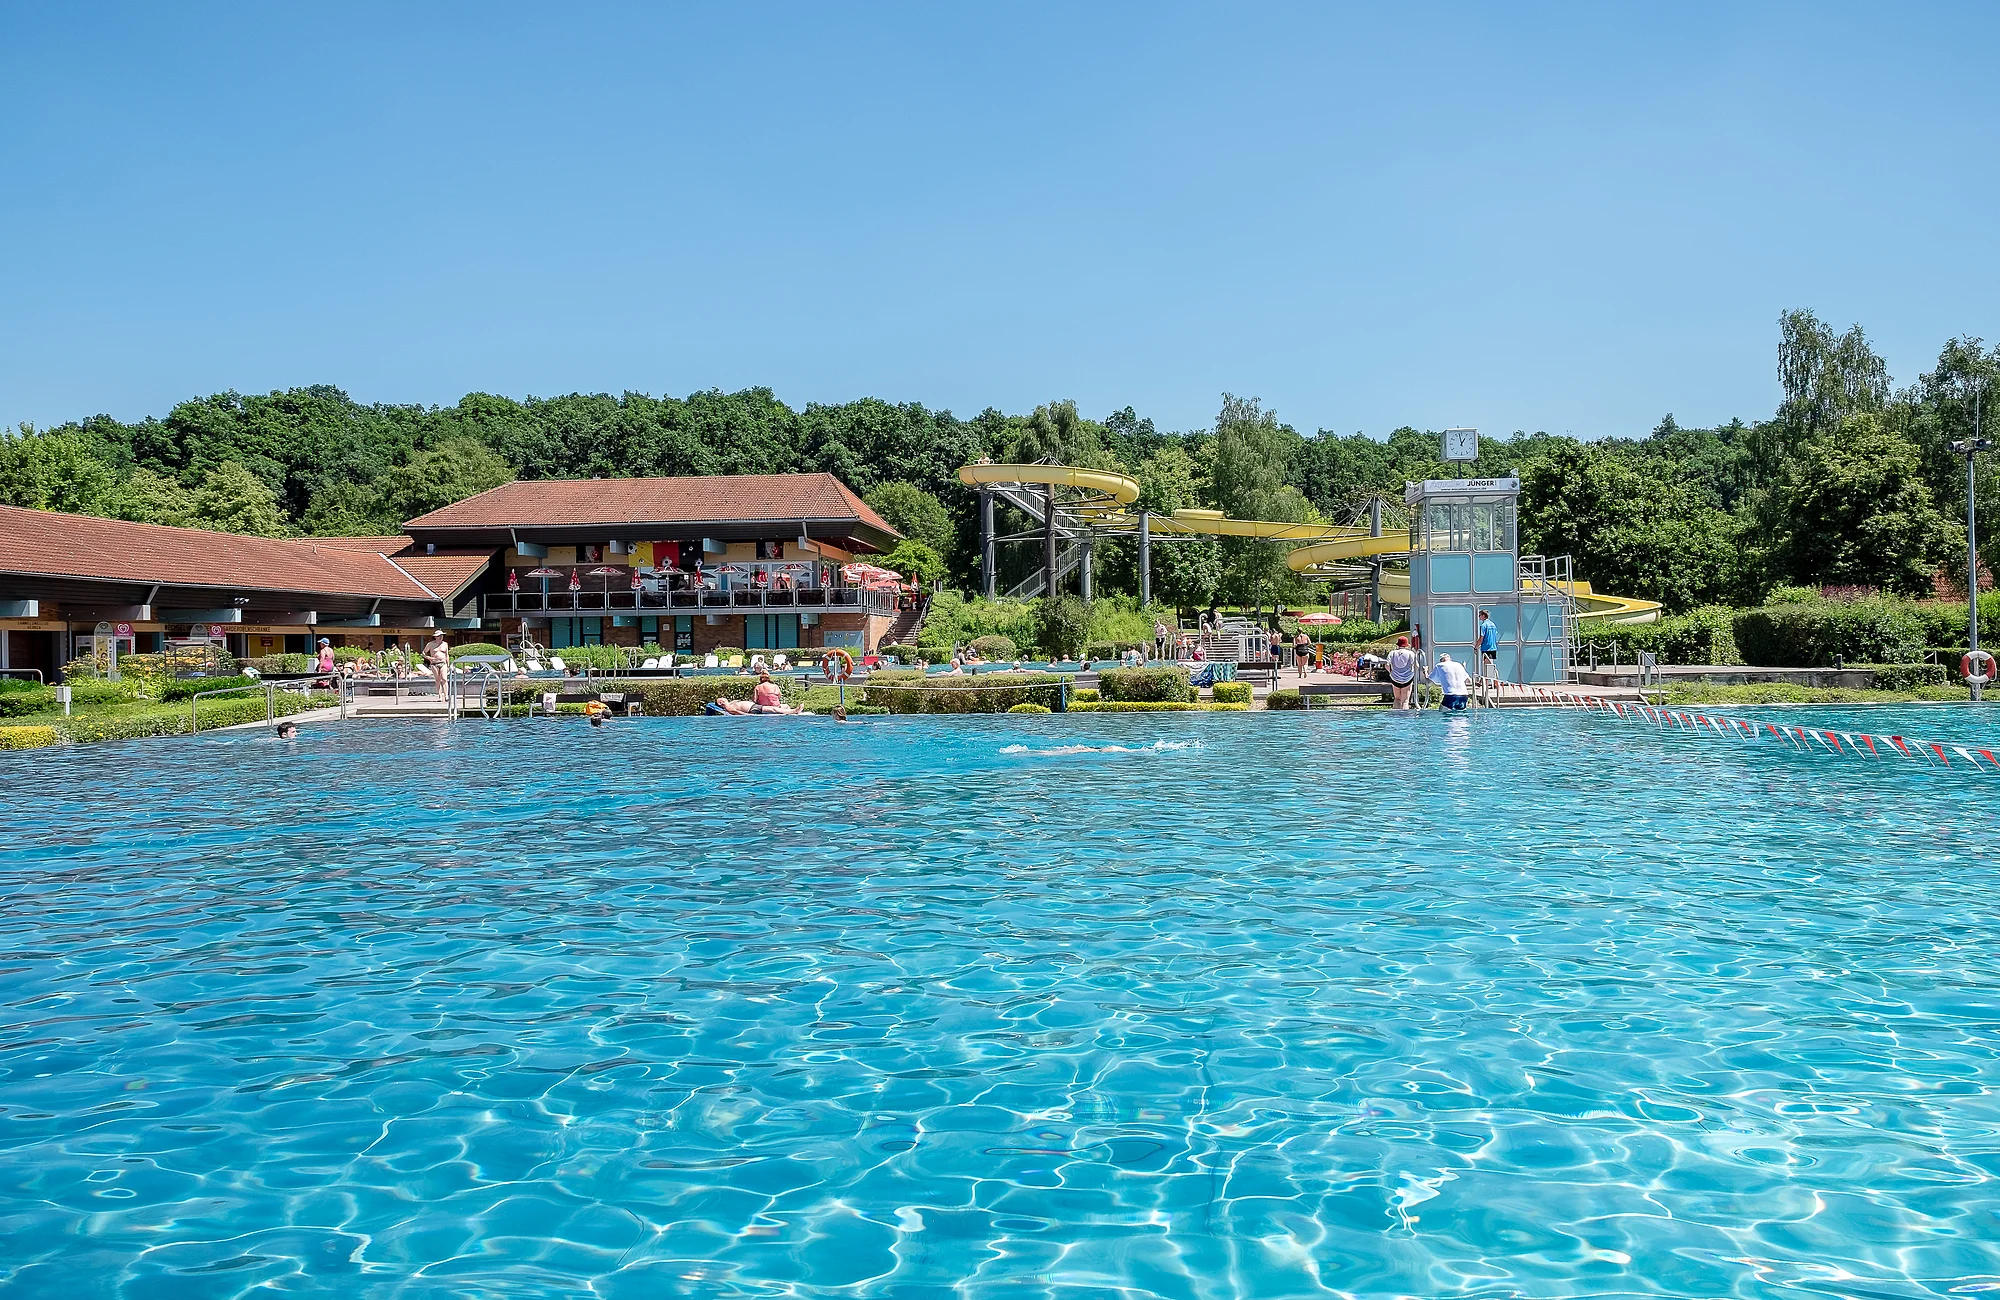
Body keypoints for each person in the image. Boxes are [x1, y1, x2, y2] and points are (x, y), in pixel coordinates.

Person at [1386, 636, 1418, 709]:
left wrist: (1391, 672)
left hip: (1395, 679)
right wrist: (1412, 672)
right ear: (1406, 644)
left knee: (1397, 699)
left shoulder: (1392, 653)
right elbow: (1416, 666)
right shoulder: (1410, 653)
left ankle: (1396, 715)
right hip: (1407, 679)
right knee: (1405, 701)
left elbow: (1387, 665)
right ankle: (1404, 716)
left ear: (1398, 644)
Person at [1477, 609, 1500, 680]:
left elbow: (1481, 638)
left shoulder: (1483, 625)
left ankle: (1491, 682)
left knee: (1487, 666)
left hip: (1486, 647)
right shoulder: (1493, 624)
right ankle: (1483, 681)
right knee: (1490, 665)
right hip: (1493, 647)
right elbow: (1495, 635)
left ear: (1483, 616)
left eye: (1480, 615)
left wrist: (1476, 646)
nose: (1479, 617)